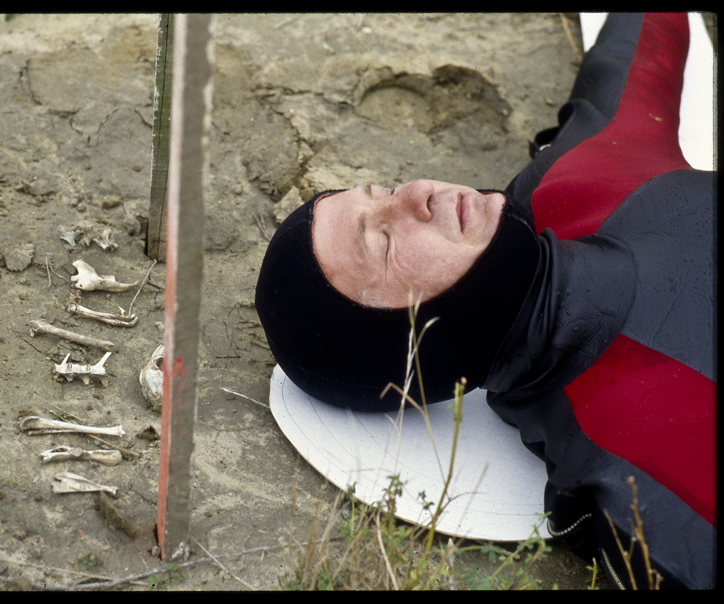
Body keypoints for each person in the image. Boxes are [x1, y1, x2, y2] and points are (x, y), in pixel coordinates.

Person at [255, 13, 715, 589]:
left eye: (385, 191)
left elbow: (646, 42)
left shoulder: (569, 185)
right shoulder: (631, 478)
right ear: (408, 344)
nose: (419, 195)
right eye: (386, 241)